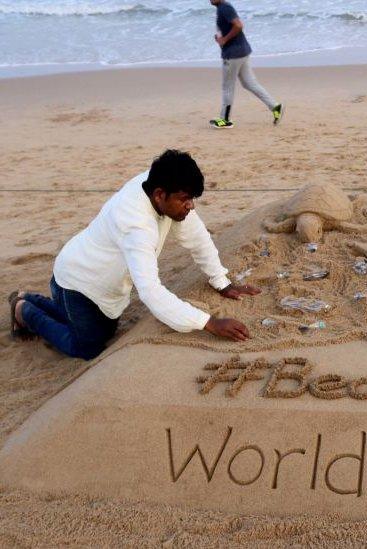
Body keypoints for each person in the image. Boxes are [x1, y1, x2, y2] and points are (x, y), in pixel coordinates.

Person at [9, 150, 260, 359]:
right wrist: (209, 323)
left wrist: (222, 282)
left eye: (192, 199)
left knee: (104, 328)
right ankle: (24, 311)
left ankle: (28, 298)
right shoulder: (137, 226)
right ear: (160, 195)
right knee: (87, 348)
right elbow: (151, 291)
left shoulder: (158, 185)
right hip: (77, 283)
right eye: (185, 199)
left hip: (98, 280)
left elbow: (197, 238)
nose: (190, 206)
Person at [209, 0, 284, 128]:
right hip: (242, 51)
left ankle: (225, 120)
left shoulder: (224, 8)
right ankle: (275, 107)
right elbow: (232, 27)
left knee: (228, 87)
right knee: (249, 83)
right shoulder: (224, 7)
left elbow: (238, 25)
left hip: (233, 55)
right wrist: (221, 38)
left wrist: (224, 40)